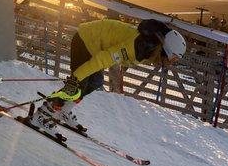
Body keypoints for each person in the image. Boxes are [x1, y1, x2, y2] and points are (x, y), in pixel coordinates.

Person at [29, 18, 187, 138]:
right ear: (165, 50)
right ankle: (42, 115)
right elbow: (103, 59)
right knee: (76, 87)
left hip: (95, 45)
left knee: (96, 82)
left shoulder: (148, 48)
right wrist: (76, 78)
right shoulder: (136, 46)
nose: (170, 63)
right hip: (85, 40)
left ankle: (63, 110)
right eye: (172, 59)